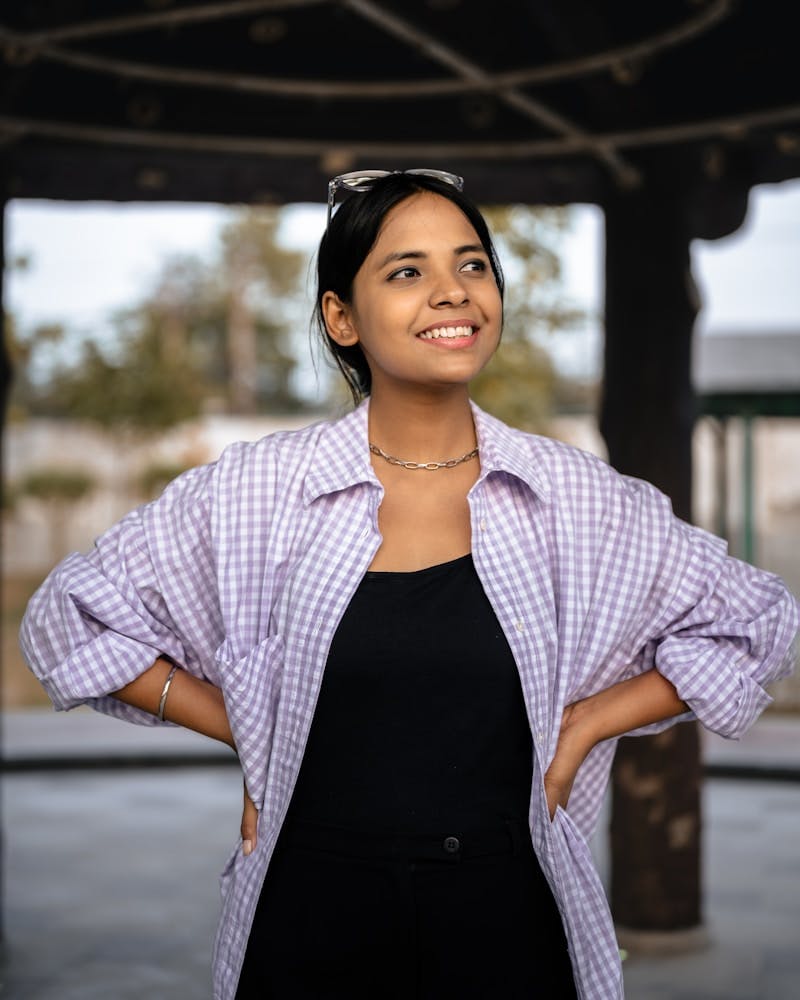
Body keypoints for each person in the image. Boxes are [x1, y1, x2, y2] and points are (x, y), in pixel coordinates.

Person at [20, 169, 799, 1000]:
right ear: (340, 316)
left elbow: (757, 621)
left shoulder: (574, 497)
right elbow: (66, 621)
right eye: (406, 272)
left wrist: (588, 726)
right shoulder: (254, 491)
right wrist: (253, 728)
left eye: (472, 265)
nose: (450, 293)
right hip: (309, 918)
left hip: (507, 920)